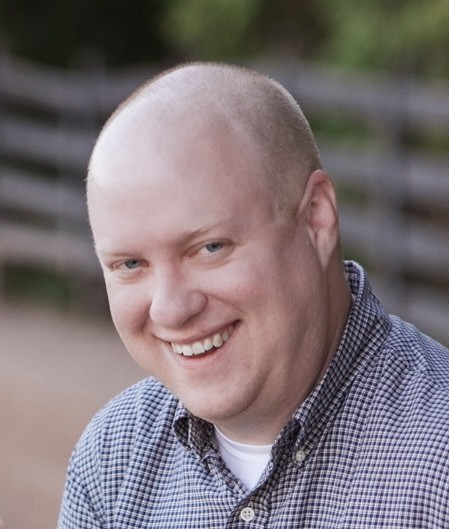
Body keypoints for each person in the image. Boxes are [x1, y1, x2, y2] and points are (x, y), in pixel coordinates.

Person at [58, 63, 449, 528]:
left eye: (210, 248)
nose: (170, 308)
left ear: (317, 217)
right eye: (130, 265)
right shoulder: (110, 461)